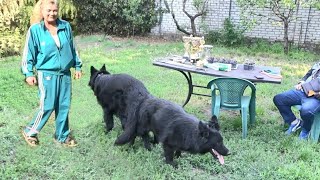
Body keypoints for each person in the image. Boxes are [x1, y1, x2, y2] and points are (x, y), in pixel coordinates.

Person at [21, 0, 82, 146]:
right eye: (48, 10)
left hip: (65, 74)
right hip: (46, 73)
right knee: (47, 105)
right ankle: (30, 131)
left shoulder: (65, 26)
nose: (52, 13)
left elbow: (73, 48)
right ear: (42, 11)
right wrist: (28, 73)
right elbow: (28, 54)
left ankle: (62, 136)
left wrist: (78, 66)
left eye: (54, 10)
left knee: (64, 105)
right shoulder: (35, 30)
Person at [273, 62, 320, 140]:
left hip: (316, 98)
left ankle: (306, 129)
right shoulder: (318, 64)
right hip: (303, 91)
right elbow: (308, 74)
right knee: (279, 99)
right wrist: (301, 82)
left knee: (306, 110)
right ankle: (294, 122)